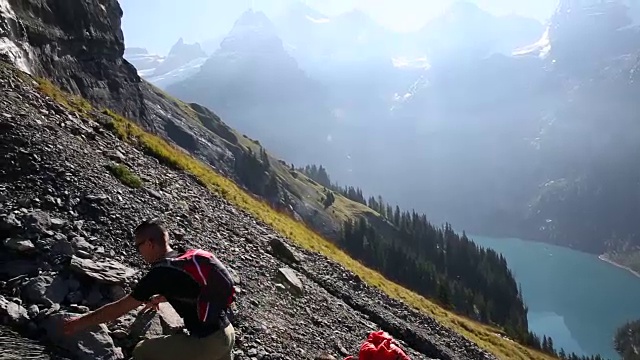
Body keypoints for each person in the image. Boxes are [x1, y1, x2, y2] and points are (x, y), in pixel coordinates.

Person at [62, 218, 236, 360]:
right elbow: (194, 289)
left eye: (138, 246)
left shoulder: (160, 272)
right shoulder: (182, 258)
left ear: (150, 243)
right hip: (227, 334)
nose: (139, 252)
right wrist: (164, 296)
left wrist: (79, 323)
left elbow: (117, 310)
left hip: (207, 342)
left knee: (143, 350)